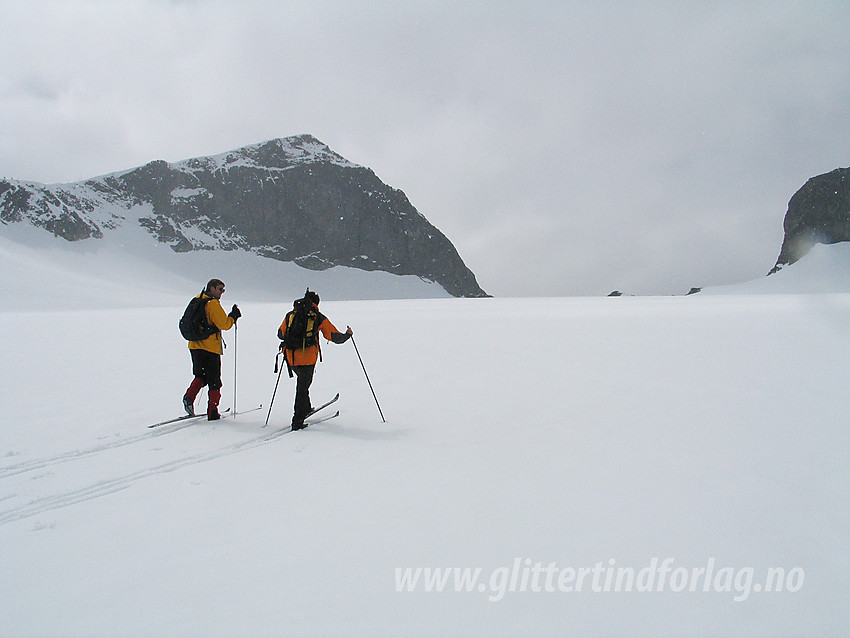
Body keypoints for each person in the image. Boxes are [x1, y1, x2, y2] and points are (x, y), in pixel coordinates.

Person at [277, 290, 352, 430]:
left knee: (303, 385)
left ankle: (305, 408)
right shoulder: (317, 316)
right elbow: (333, 336)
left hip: (290, 357)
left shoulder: (291, 315)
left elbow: (280, 334)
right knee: (302, 387)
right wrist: (347, 335)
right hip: (307, 359)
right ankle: (297, 421)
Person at [183, 279, 241, 420]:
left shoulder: (197, 299)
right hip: (210, 347)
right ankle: (213, 411)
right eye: (220, 289)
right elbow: (224, 324)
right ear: (212, 288)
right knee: (214, 380)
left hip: (194, 345)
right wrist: (233, 316)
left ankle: (189, 397)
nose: (222, 292)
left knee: (201, 375)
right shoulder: (212, 303)